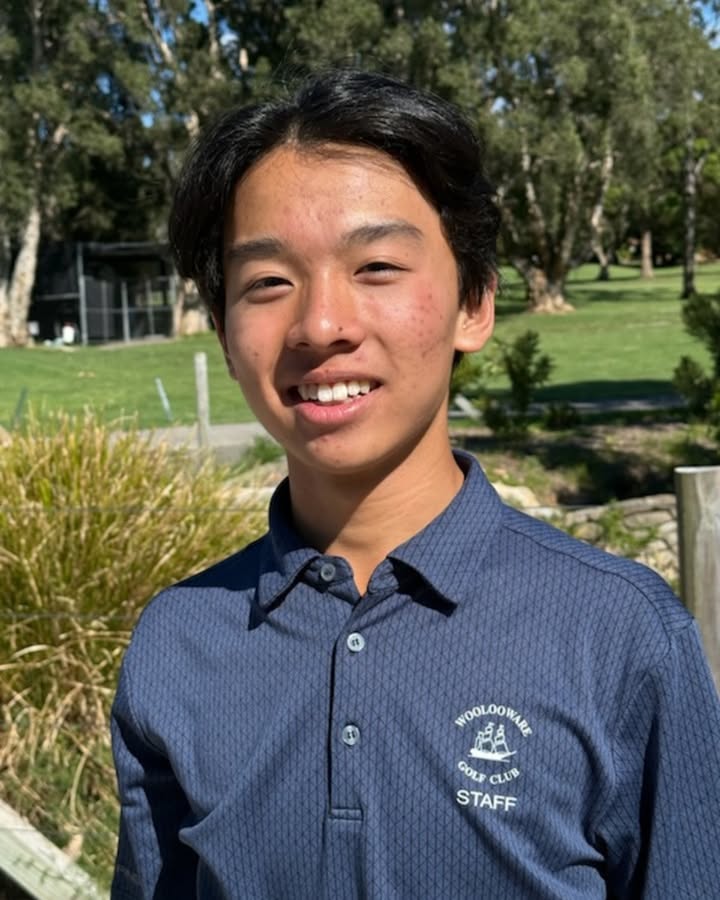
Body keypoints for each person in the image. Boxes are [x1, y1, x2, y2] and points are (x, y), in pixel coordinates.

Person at [111, 69, 720, 899]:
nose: (322, 325)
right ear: (222, 330)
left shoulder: (620, 636)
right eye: (267, 282)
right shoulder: (179, 644)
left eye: (377, 266)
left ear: (474, 302)